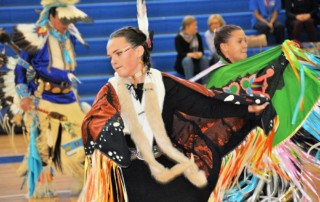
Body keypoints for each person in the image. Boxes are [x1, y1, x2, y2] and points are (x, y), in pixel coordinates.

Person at [79, 26, 274, 202]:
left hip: (166, 167)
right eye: (110, 56)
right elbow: (93, 124)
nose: (113, 61)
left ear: (139, 51)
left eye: (118, 53)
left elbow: (207, 105)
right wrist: (113, 129)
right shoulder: (109, 92)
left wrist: (246, 108)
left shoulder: (163, 83)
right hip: (129, 174)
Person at [0, 0, 92, 198]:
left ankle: (80, 176)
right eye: (63, 18)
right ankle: (43, 187)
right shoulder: (36, 36)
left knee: (81, 138)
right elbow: (21, 67)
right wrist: (24, 95)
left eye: (69, 19)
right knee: (45, 145)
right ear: (51, 16)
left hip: (68, 96)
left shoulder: (71, 35)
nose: (67, 23)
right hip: (44, 98)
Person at [174, 15, 209, 81]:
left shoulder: (198, 36)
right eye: (194, 25)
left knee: (204, 59)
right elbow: (180, 53)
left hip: (197, 62)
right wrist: (191, 55)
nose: (196, 27)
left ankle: (206, 83)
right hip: (183, 64)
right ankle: (190, 83)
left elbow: (202, 51)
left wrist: (199, 54)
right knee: (187, 60)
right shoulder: (178, 38)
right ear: (187, 26)